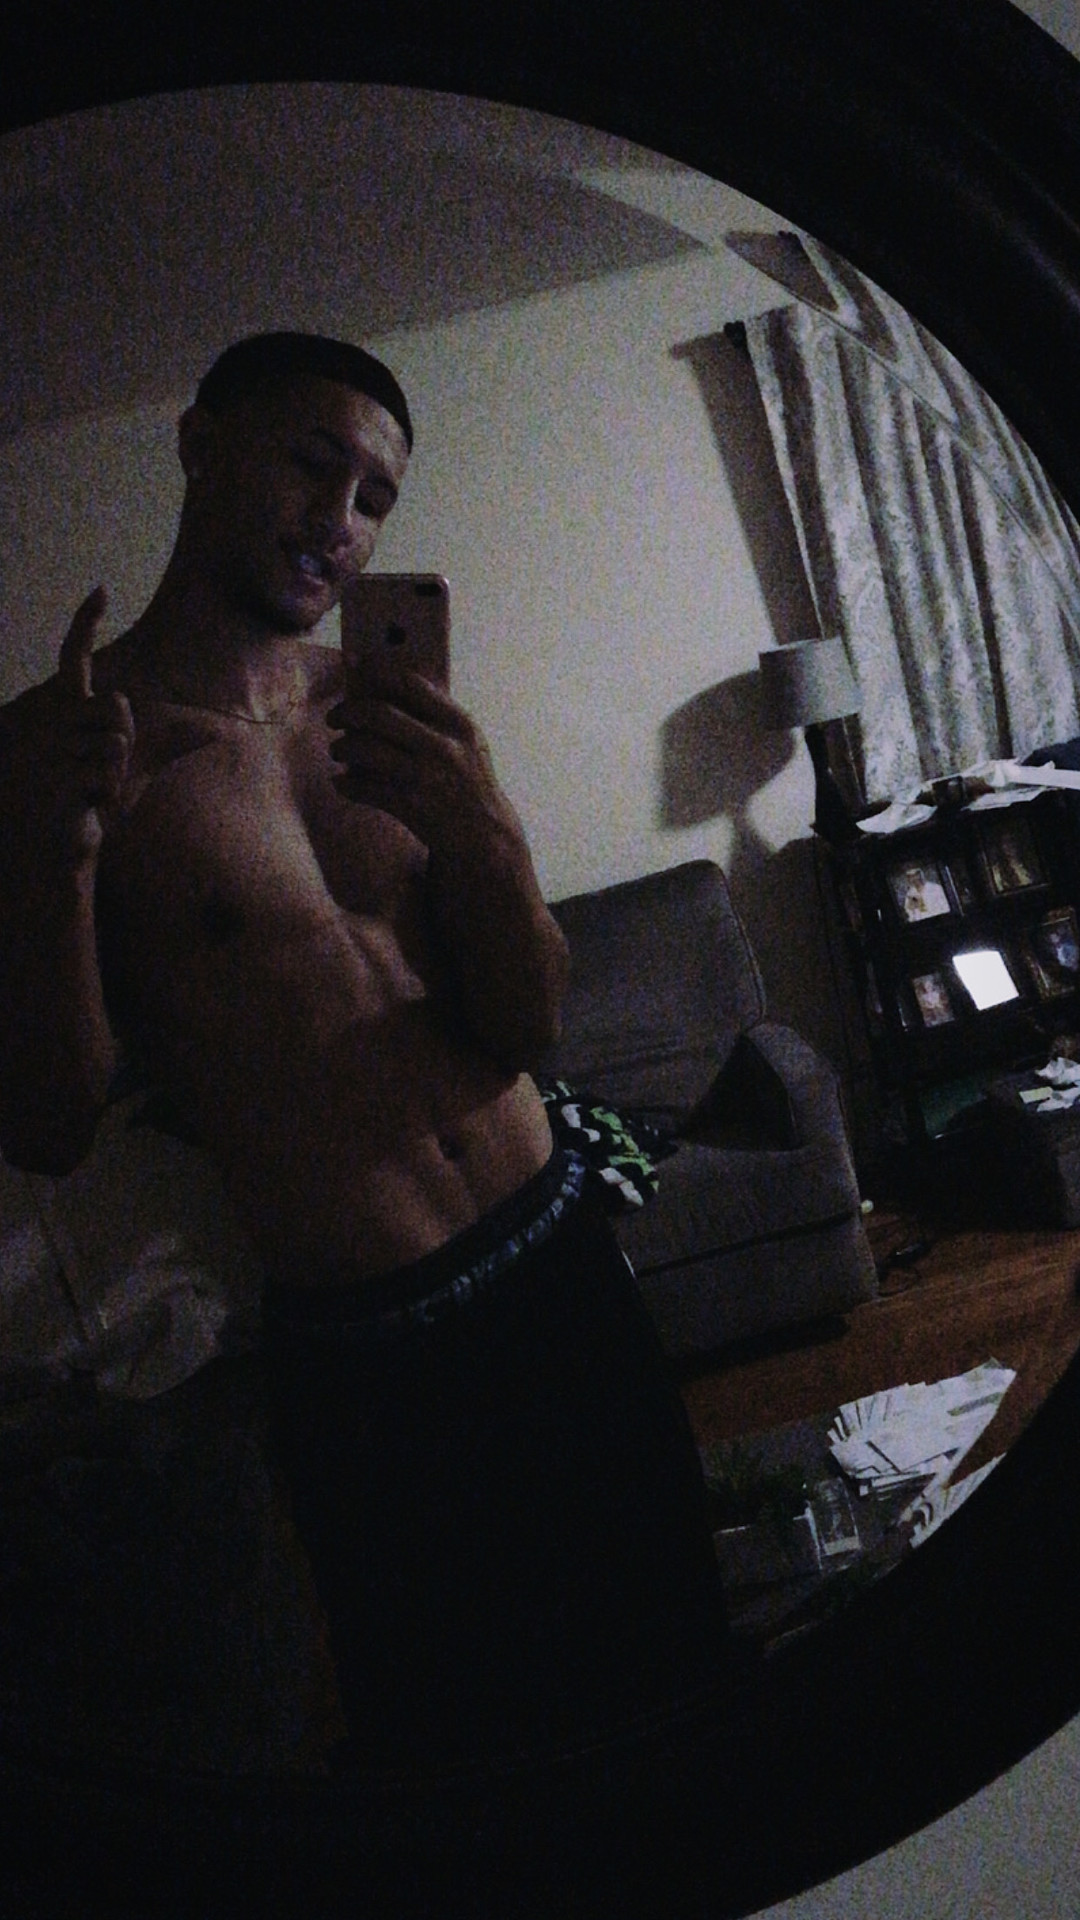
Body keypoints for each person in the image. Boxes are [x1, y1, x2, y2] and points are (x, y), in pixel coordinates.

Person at [0, 332, 728, 1778]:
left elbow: (527, 1024)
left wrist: (484, 831)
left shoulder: (390, 714)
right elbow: (50, 1122)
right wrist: (51, 862)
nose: (341, 520)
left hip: (559, 1265)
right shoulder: (64, 750)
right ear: (200, 443)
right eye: (311, 462)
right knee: (464, 1755)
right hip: (371, 1355)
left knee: (682, 1671)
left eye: (377, 498)